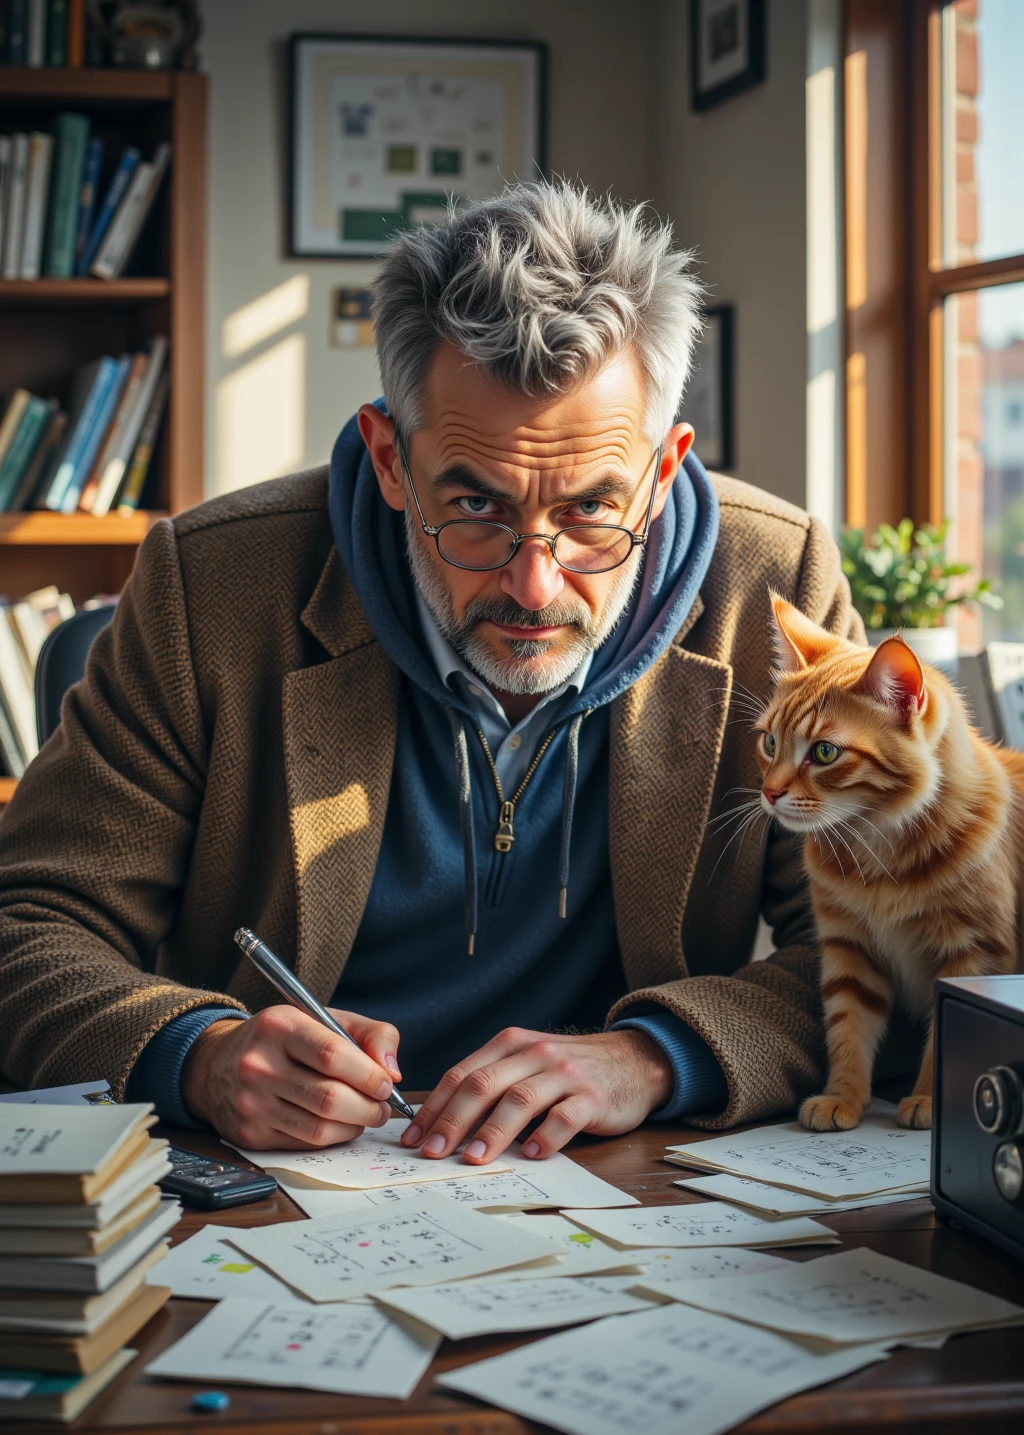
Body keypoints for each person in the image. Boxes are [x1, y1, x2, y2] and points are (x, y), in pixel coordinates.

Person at [0, 181, 862, 1165]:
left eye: (590, 511)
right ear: (389, 460)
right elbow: (29, 929)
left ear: (664, 471)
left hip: (630, 1177)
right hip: (281, 1183)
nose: (534, 586)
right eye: (476, 506)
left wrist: (657, 1055)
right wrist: (198, 1054)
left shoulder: (774, 590)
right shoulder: (209, 588)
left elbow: (883, 947)